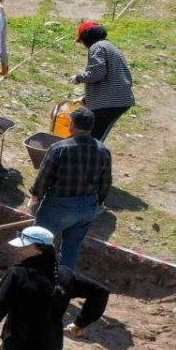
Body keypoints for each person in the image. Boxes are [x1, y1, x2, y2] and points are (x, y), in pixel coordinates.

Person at [30, 106, 111, 275]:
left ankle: (34, 279)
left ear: (72, 125)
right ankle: (62, 285)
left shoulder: (59, 148)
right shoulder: (103, 150)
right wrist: (98, 203)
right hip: (87, 208)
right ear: (91, 127)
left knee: (38, 244)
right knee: (70, 250)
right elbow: (106, 182)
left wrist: (36, 196)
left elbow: (44, 177)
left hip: (58, 206)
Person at [73, 21, 133, 141]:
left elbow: (97, 73)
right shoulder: (110, 47)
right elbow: (110, 79)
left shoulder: (97, 47)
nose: (84, 45)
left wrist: (78, 78)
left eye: (82, 41)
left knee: (92, 138)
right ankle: (90, 156)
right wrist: (85, 99)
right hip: (117, 100)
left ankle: (90, 158)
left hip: (110, 103)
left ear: (87, 37)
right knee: (95, 135)